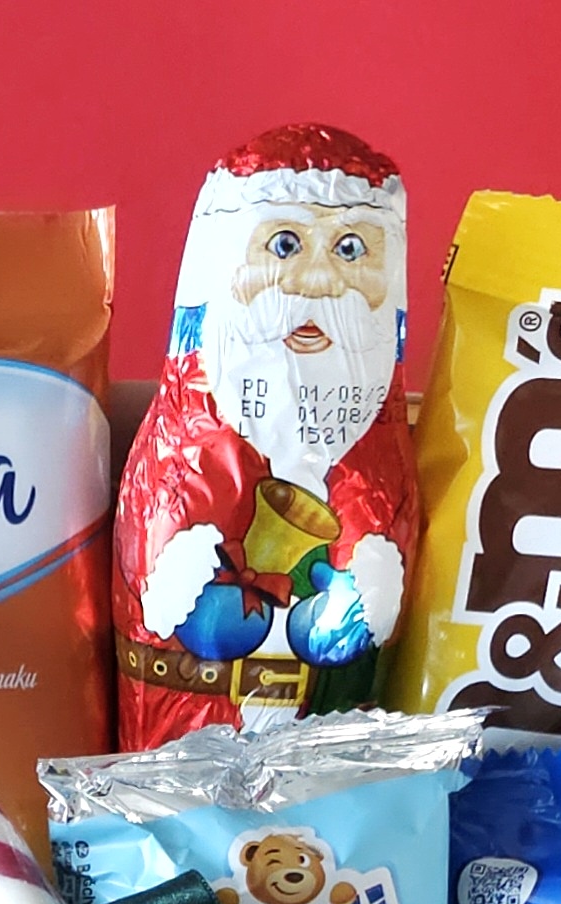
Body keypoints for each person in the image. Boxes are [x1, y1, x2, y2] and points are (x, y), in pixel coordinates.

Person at [112, 124, 424, 746]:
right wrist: (180, 578)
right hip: (179, 755)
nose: (317, 283)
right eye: (284, 245)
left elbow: (362, 630)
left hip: (327, 765)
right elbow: (163, 601)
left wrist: (367, 592)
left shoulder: (378, 447)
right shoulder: (189, 437)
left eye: (351, 250)